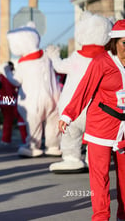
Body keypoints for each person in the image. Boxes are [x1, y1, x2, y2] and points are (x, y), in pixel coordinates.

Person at [59, 19, 125, 221]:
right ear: (114, 42)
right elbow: (84, 89)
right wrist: (68, 115)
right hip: (100, 126)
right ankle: (101, 217)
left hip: (123, 128)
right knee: (100, 177)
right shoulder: (102, 61)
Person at [0, 61, 27, 145]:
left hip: (2, 101)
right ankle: (7, 139)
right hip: (10, 102)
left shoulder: (0, 76)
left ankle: (6, 139)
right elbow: (10, 89)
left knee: (7, 121)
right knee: (13, 120)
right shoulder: (8, 77)